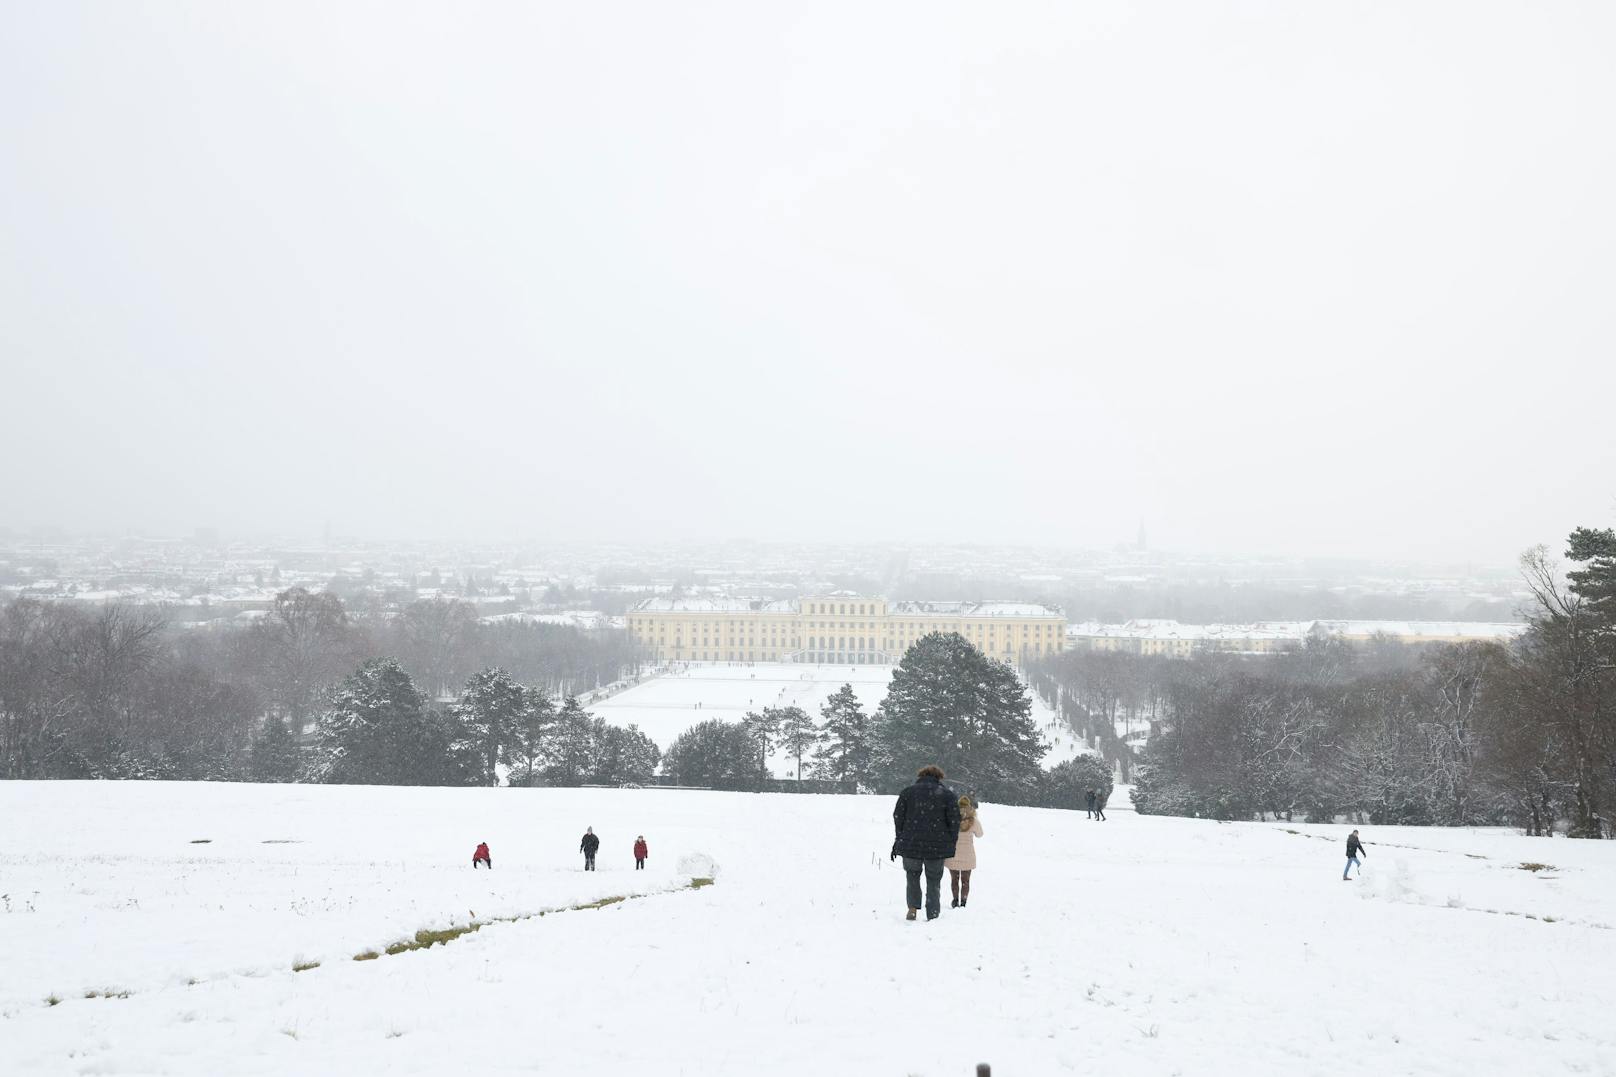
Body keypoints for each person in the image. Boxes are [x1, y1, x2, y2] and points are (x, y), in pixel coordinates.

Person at [891, 764, 961, 921]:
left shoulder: (908, 793)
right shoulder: (947, 795)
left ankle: (912, 908)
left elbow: (898, 817)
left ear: (920, 776)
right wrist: (951, 842)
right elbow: (955, 821)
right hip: (937, 847)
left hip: (910, 844)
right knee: (934, 879)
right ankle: (933, 913)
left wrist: (900, 837)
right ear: (939, 777)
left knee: (912, 876)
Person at [945, 795, 984, 908]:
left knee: (954, 879)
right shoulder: (974, 821)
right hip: (968, 854)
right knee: (965, 880)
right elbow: (980, 835)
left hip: (953, 854)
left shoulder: (951, 819)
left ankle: (955, 899)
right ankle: (963, 901)